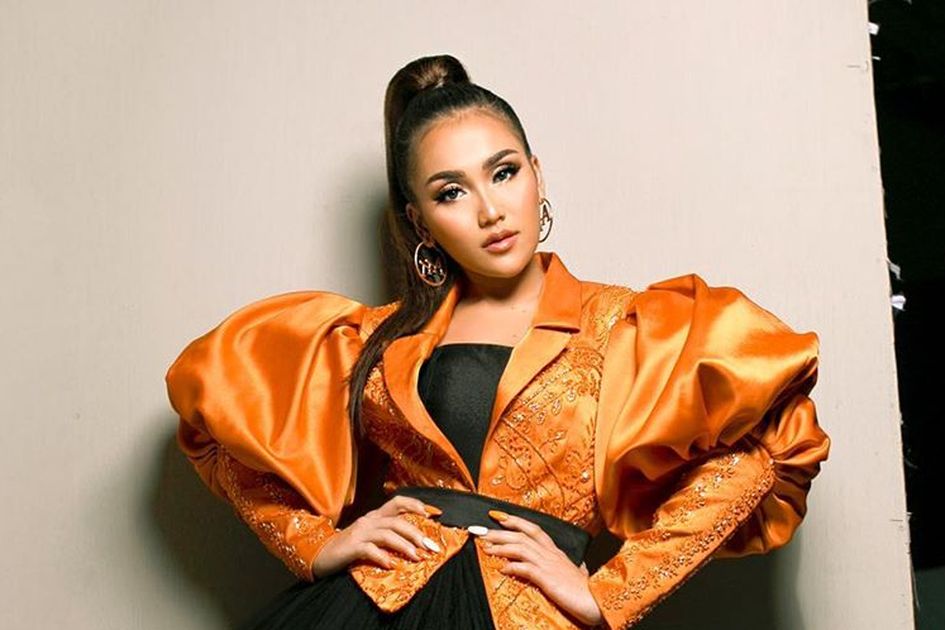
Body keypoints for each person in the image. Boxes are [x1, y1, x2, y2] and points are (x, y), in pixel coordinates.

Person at [164, 54, 831, 630]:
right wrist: (315, 545)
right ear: (419, 222)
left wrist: (611, 593)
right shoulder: (374, 340)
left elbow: (766, 450)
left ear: (537, 173)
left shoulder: (627, 327)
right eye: (451, 192)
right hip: (373, 604)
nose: (489, 210)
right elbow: (218, 425)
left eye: (504, 172)